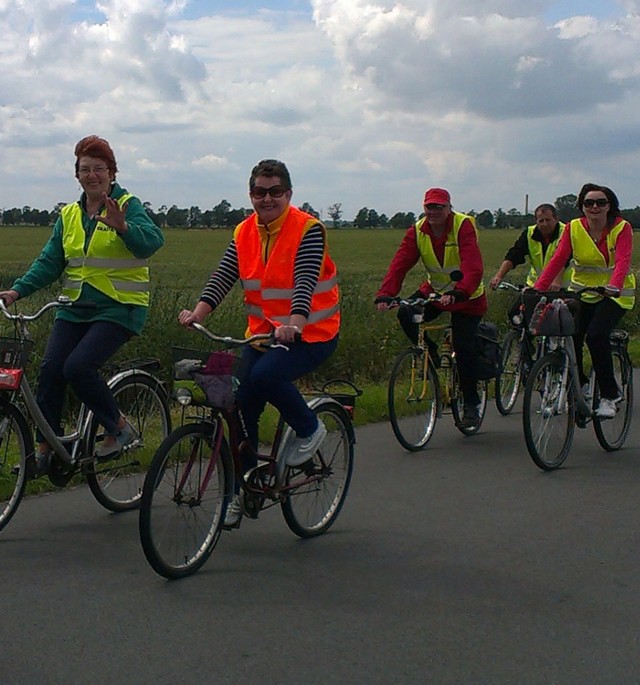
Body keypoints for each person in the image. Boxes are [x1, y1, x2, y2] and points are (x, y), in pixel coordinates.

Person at [178, 159, 340, 528]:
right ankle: (244, 488)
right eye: (259, 192)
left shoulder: (308, 229)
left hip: (311, 333)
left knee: (265, 377)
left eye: (274, 192)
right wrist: (199, 313)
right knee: (239, 403)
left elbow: (305, 280)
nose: (266, 199)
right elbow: (224, 274)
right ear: (250, 194)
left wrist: (295, 324)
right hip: (265, 334)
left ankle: (310, 427)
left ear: (289, 194)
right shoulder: (244, 232)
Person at [0, 135, 165, 473]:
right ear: (77, 175)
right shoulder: (70, 215)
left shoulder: (127, 205)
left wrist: (124, 228)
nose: (92, 175)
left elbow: (152, 242)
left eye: (99, 169)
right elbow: (50, 262)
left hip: (119, 308)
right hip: (74, 308)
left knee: (78, 367)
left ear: (112, 173)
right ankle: (47, 449)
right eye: (85, 169)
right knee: (49, 369)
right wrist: (16, 291)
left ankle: (120, 428)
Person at [375, 187, 486, 428]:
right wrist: (386, 294)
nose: (433, 211)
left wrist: (460, 291)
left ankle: (471, 403)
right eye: (429, 207)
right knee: (406, 312)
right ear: (423, 208)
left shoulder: (463, 226)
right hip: (435, 292)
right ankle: (431, 353)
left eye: (439, 207)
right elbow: (400, 263)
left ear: (449, 208)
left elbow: (473, 264)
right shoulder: (417, 230)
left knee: (463, 345)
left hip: (467, 296)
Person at [534, 183, 635, 419]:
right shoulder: (574, 228)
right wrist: (538, 289)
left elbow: (623, 260)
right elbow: (559, 258)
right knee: (570, 335)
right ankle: (581, 384)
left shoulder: (622, 228)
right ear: (581, 207)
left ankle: (610, 395)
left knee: (596, 336)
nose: (595, 207)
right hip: (583, 293)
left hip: (615, 295)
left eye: (601, 202)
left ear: (610, 206)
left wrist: (615, 286)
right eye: (589, 203)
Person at [489, 204, 567, 290]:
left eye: (548, 220)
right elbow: (514, 254)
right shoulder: (530, 233)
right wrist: (498, 276)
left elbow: (566, 258)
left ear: (556, 219)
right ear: (536, 221)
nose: (545, 224)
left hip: (562, 287)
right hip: (536, 286)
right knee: (519, 304)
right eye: (541, 221)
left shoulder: (566, 232)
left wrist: (557, 280)